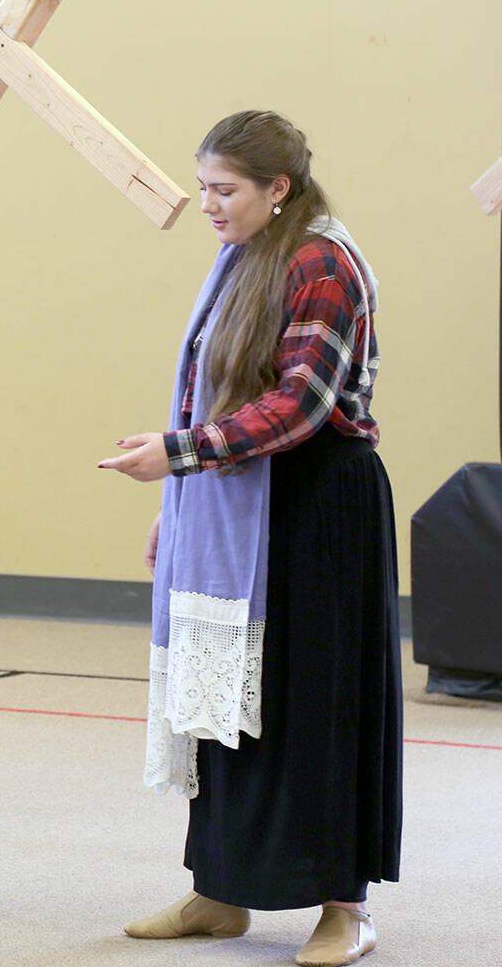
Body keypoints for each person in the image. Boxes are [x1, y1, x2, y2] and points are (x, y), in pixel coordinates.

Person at [98, 110, 401, 967]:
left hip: (319, 504)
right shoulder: (247, 254)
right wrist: (183, 501)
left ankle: (345, 905)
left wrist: (179, 456)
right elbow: (215, 390)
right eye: (203, 187)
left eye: (223, 189)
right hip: (243, 494)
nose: (208, 204)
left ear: (279, 188)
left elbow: (300, 404)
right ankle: (221, 888)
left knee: (318, 704)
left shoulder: (323, 262)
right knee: (233, 698)